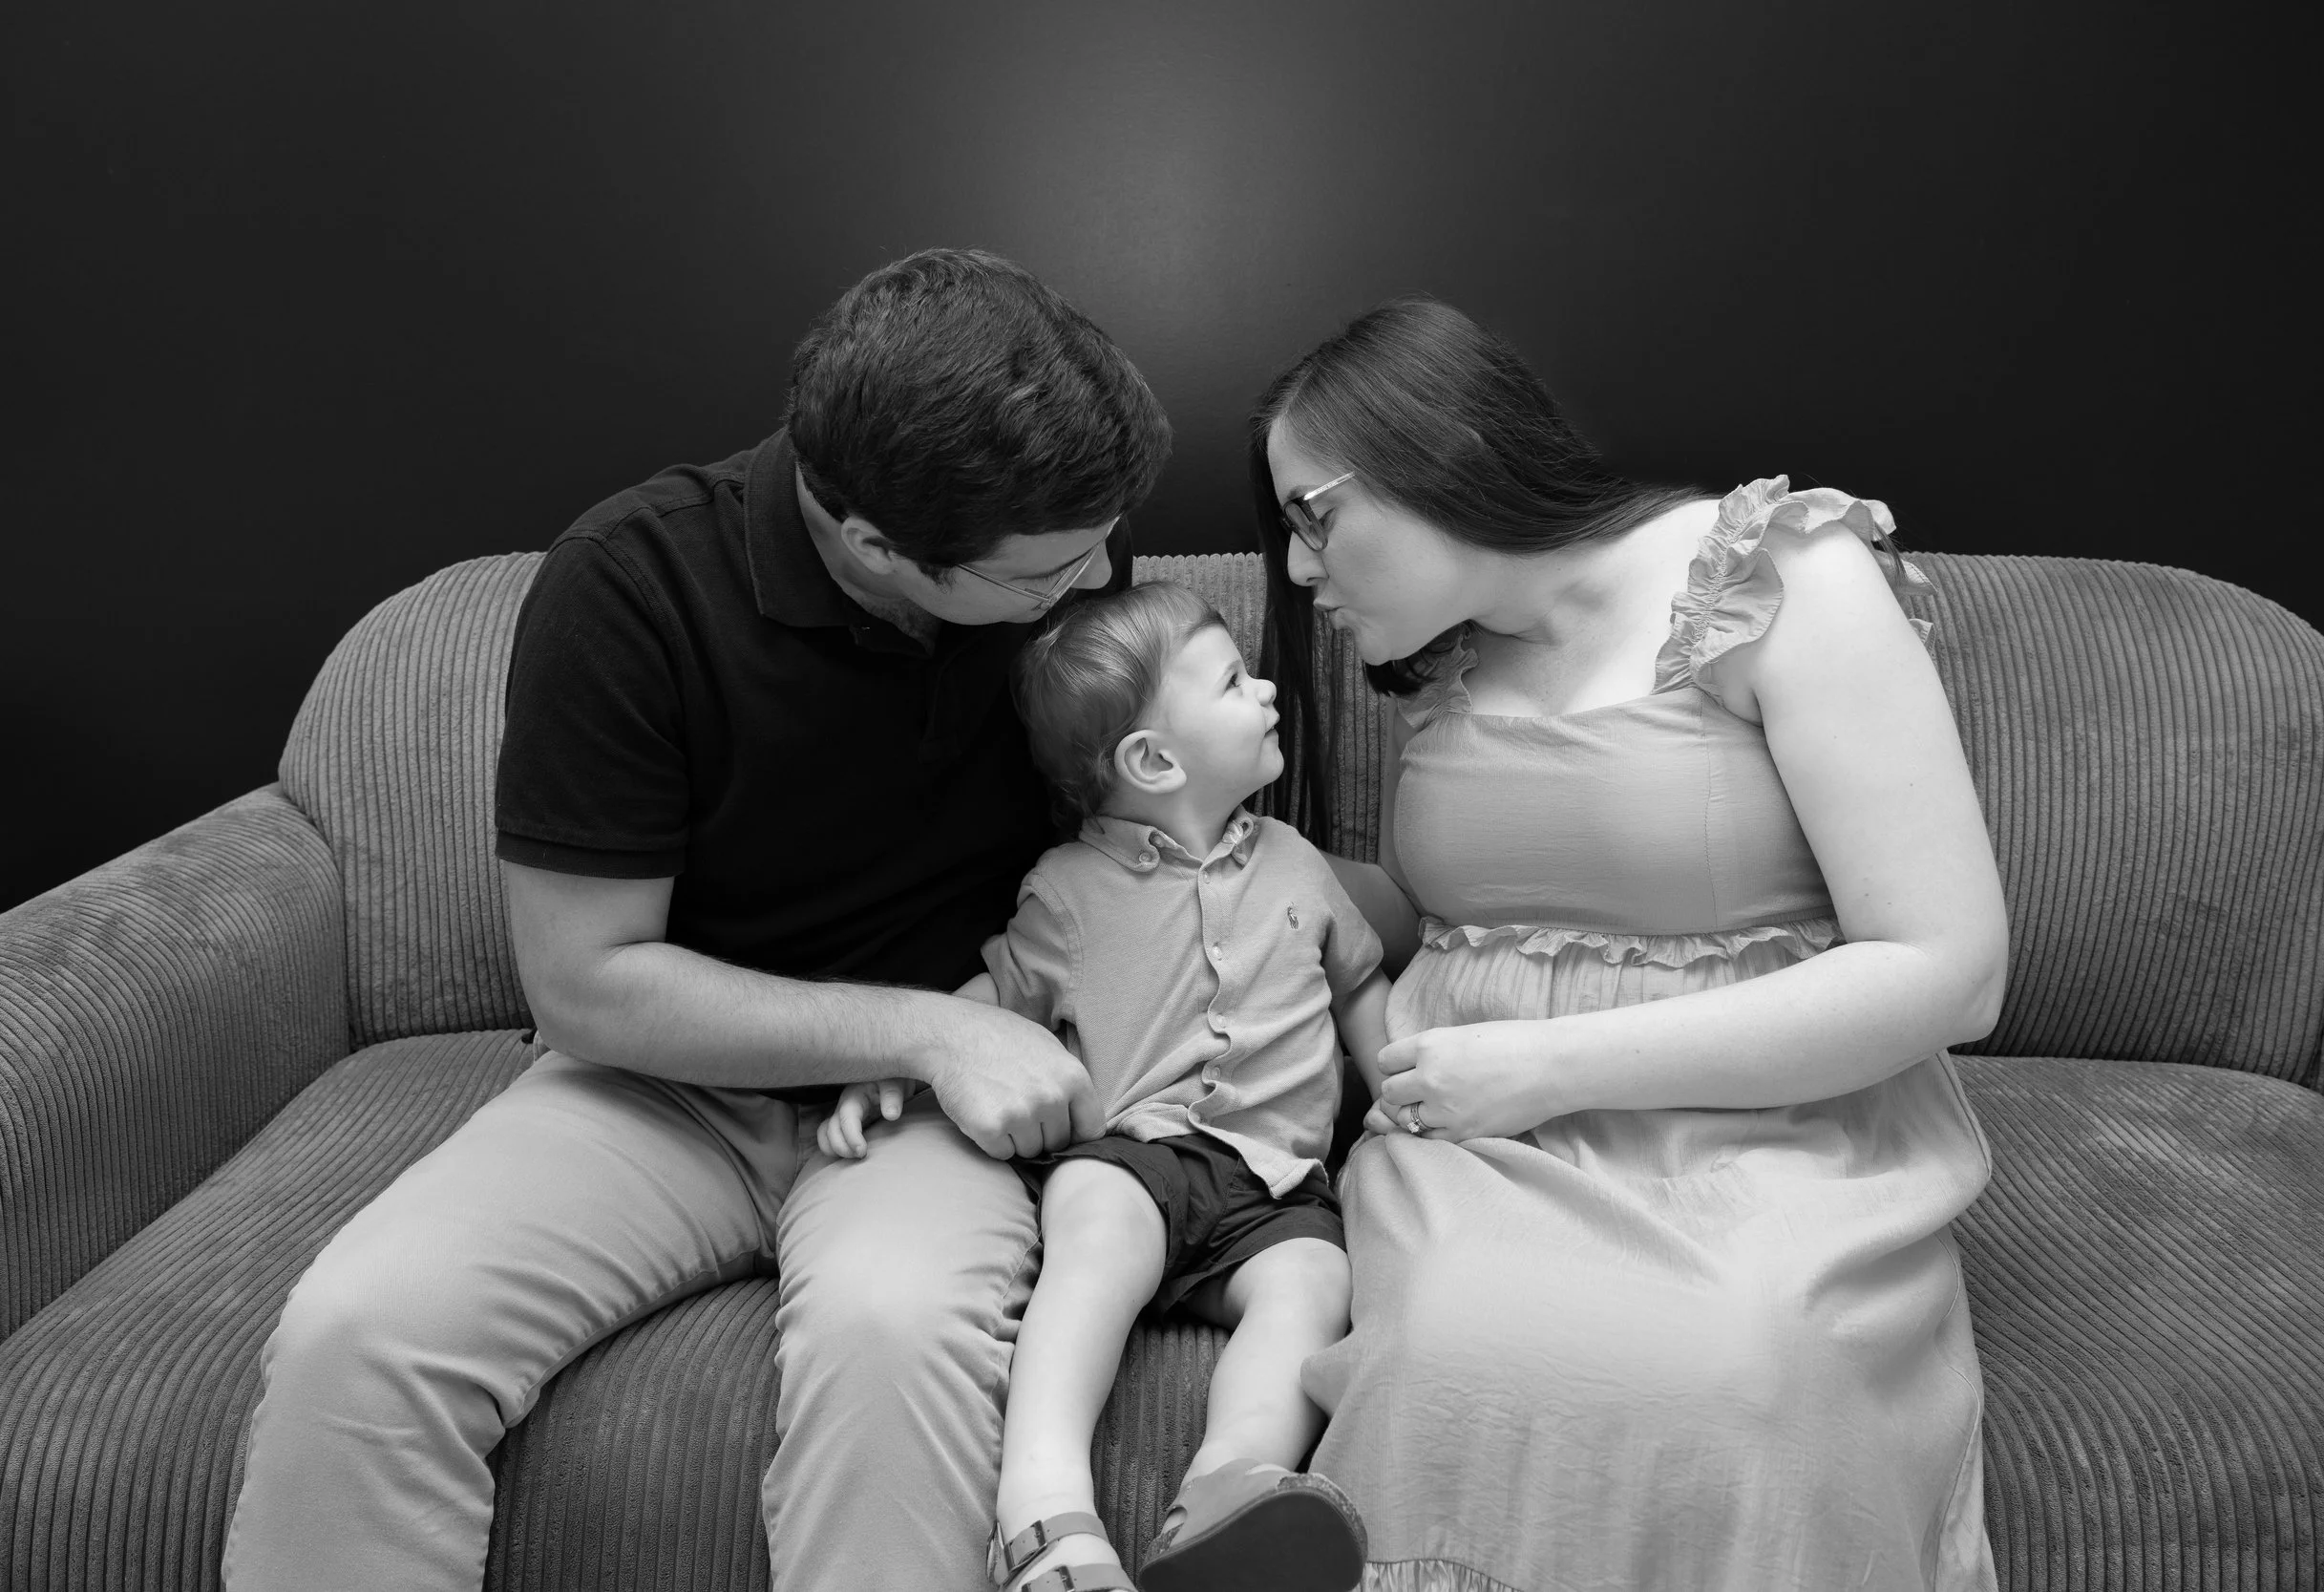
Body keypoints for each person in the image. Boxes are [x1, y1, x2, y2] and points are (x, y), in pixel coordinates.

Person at [222, 249, 1172, 1592]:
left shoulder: (1069, 578)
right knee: (361, 1329)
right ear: (874, 545)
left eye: (1099, 546)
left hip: (931, 1102)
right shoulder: (629, 584)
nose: (1092, 588)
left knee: (894, 1333)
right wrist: (914, 1029)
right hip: (665, 1083)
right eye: (1045, 574)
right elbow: (588, 984)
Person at [1253, 297, 2008, 1592]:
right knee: (1456, 1345)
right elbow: (1476, 915)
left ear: (1441, 450)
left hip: (1772, 1119)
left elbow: (1952, 966)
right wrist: (1245, 877)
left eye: (1314, 517)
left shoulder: (1777, 574)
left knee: (1742, 1362)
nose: (1300, 570)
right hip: (1483, 1142)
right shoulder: (1440, 663)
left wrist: (1550, 1064)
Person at [821, 581, 1389, 1592]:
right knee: (1096, 1225)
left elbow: (1360, 984)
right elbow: (994, 1000)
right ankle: (1042, 1510)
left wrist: (1404, 1090)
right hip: (1141, 1154)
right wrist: (901, 1058)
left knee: (1316, 1286)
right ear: (1155, 760)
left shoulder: (1301, 867)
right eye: (1231, 679)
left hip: (1279, 1183)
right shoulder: (1067, 889)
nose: (1265, 689)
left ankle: (1227, 1491)